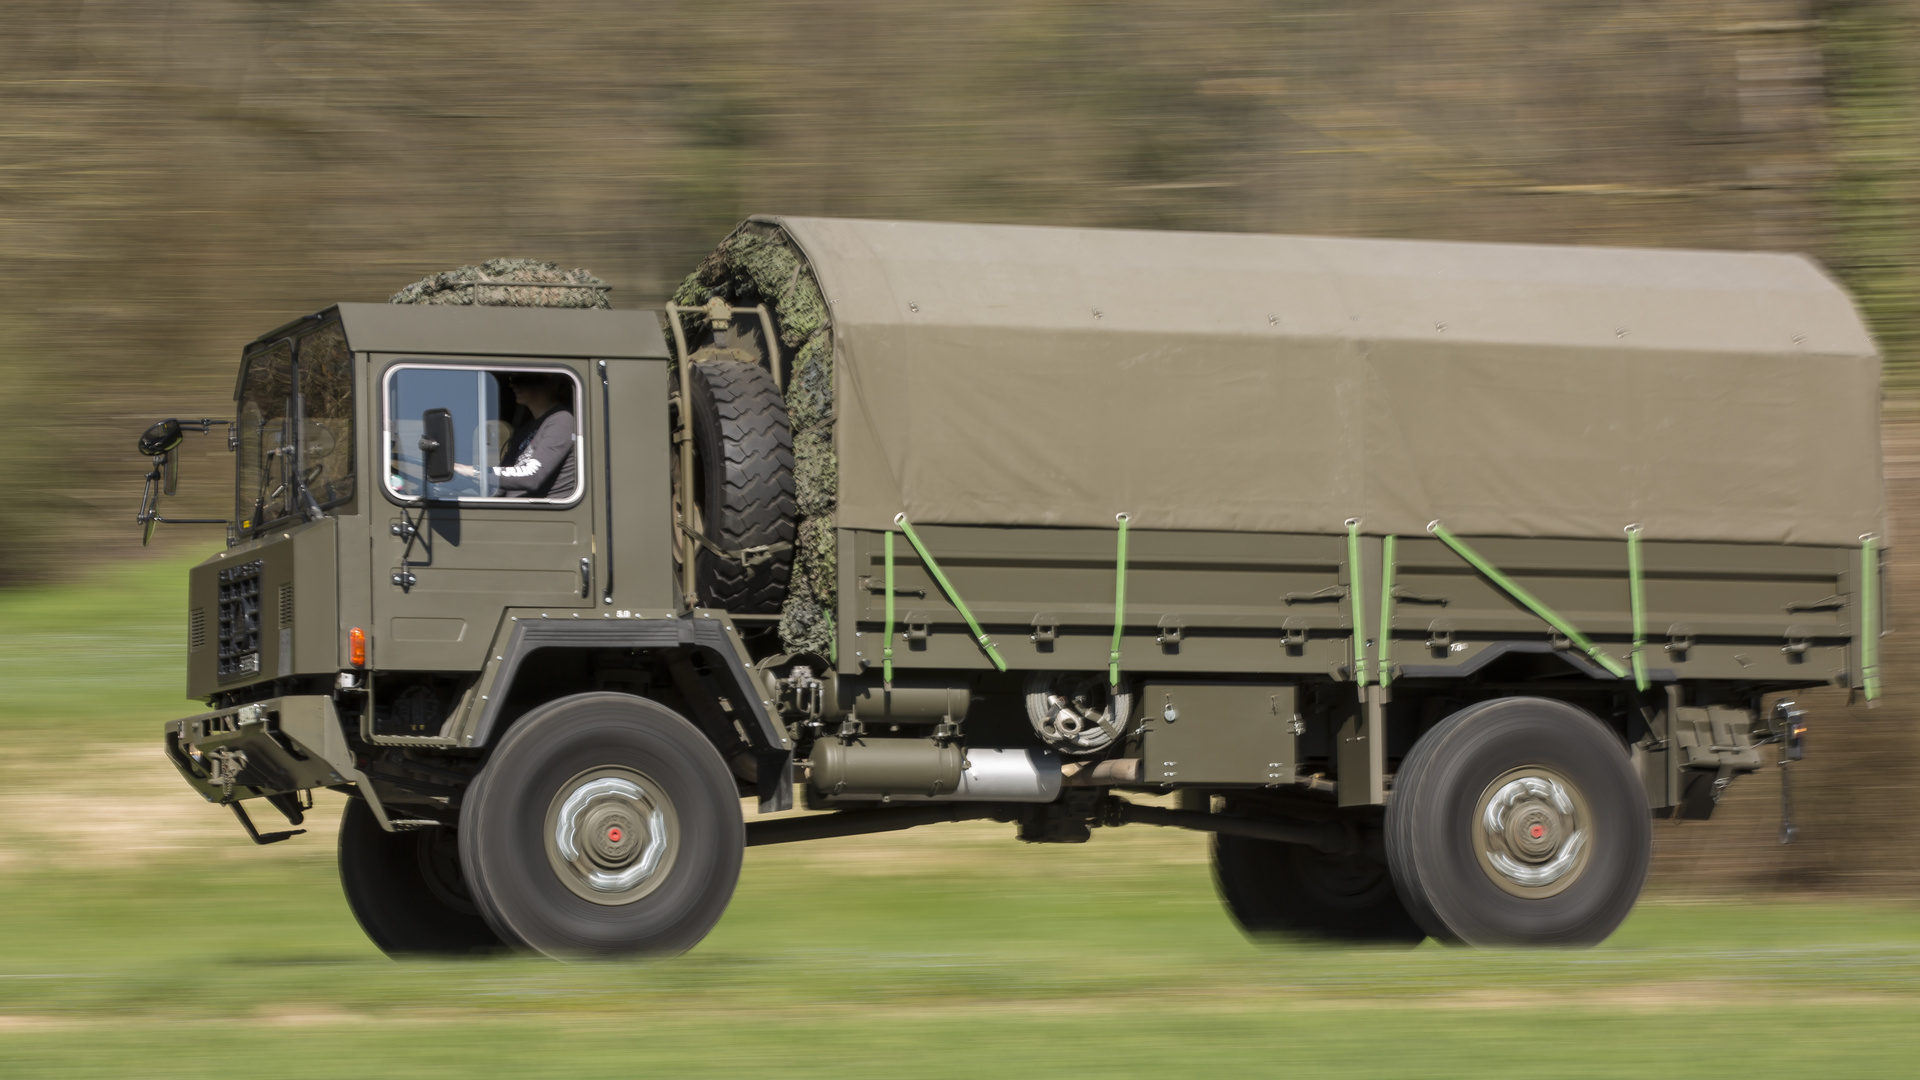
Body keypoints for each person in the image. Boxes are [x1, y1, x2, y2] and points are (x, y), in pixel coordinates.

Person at [455, 372, 575, 498]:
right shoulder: (526, 429)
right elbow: (499, 486)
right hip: (517, 509)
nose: (512, 384)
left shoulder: (562, 420)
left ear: (546, 378)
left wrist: (473, 472)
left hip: (543, 513)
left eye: (520, 378)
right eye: (511, 378)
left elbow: (532, 477)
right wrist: (457, 483)